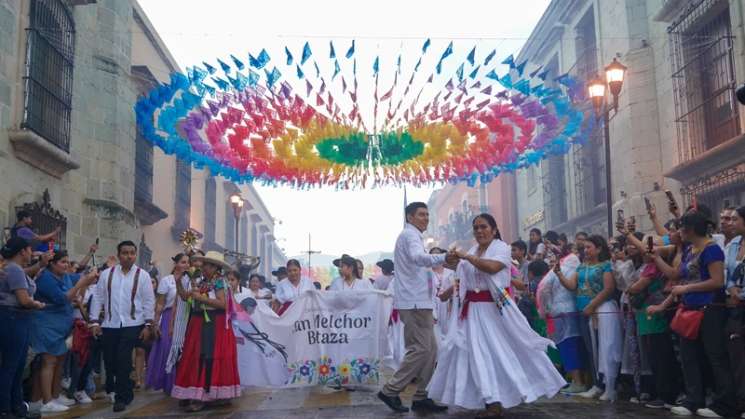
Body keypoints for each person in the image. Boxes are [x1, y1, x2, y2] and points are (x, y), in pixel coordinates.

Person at [427, 214, 566, 418]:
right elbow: (460, 269)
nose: (479, 231)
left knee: (497, 352)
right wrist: (449, 259)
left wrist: (466, 257)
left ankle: (497, 400)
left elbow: (492, 268)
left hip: (493, 310)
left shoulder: (501, 248)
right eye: (476, 228)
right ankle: (488, 399)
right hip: (471, 311)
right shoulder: (474, 250)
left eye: (483, 227)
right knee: (472, 354)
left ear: (493, 229)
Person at [648, 210, 737, 418]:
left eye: (681, 228)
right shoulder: (690, 249)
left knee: (715, 357)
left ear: (690, 229)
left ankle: (725, 403)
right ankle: (693, 399)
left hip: (710, 309)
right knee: (688, 357)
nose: (679, 232)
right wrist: (656, 259)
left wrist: (686, 289)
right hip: (689, 310)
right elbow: (675, 274)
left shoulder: (711, 250)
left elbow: (717, 281)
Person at [378, 202, 450, 414]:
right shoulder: (410, 236)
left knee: (431, 350)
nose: (426, 218)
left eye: (427, 214)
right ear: (409, 217)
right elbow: (418, 258)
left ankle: (420, 395)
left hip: (421, 301)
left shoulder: (414, 237)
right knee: (420, 349)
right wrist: (445, 257)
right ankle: (391, 390)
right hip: (414, 302)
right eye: (421, 214)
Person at [89, 241, 155, 413]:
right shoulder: (107, 274)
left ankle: (120, 398)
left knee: (123, 359)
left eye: (132, 253)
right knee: (110, 361)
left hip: (133, 324)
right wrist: (95, 321)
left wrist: (148, 324)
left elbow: (149, 301)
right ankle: (126, 391)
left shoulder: (143, 275)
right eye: (125, 253)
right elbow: (98, 297)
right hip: (110, 324)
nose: (129, 256)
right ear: (119, 255)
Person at [29, 251, 97, 413]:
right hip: (46, 326)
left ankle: (55, 395)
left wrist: (89, 275)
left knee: (59, 361)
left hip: (61, 328)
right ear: (52, 263)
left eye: (67, 262)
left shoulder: (65, 276)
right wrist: (82, 284)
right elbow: (63, 298)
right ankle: (46, 401)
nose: (67, 265)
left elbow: (79, 277)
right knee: (49, 361)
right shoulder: (45, 278)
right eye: (63, 262)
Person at [556, 235, 622, 402]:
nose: (585, 251)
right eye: (584, 248)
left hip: (600, 311)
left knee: (603, 347)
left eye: (589, 247)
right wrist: (559, 275)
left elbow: (608, 288)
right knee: (590, 349)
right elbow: (572, 286)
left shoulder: (605, 266)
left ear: (599, 249)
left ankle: (607, 385)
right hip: (582, 311)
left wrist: (592, 306)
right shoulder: (581, 267)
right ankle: (596, 383)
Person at [172, 251, 240, 411]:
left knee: (208, 357)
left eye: (207, 265)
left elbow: (223, 304)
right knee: (198, 357)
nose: (203, 267)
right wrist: (179, 282)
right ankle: (200, 394)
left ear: (215, 267)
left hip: (213, 325)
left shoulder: (220, 282)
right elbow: (184, 297)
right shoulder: (202, 282)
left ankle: (205, 396)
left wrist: (201, 298)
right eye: (203, 264)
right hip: (199, 323)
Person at [0, 237, 45, 419]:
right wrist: (38, 304)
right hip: (14, 317)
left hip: (16, 318)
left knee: (18, 366)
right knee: (12, 366)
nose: (31, 253)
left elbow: (25, 273)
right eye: (29, 249)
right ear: (22, 251)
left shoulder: (12, 269)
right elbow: (24, 300)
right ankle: (6, 408)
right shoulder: (14, 270)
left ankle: (16, 405)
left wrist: (40, 265)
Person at [537, 250, 585, 394]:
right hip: (576, 309)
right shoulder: (578, 266)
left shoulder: (560, 268)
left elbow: (544, 289)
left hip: (559, 312)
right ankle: (581, 380)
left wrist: (545, 309)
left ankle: (577, 382)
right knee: (578, 346)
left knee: (567, 346)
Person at [145, 253, 189, 395]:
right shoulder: (167, 280)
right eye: (183, 262)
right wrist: (155, 323)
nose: (186, 265)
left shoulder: (191, 280)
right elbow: (160, 303)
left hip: (186, 317)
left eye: (188, 263)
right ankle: (168, 382)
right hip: (169, 316)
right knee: (168, 349)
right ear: (175, 263)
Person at [724, 206, 745, 417]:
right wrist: (731, 288)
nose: (731, 223)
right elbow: (726, 271)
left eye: (735, 219)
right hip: (734, 307)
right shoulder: (733, 245)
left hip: (741, 300)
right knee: (737, 356)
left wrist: (741, 294)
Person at [429, 247, 454, 339]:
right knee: (434, 331)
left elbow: (454, 291)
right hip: (432, 304)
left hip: (446, 303)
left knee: (447, 329)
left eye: (437, 254)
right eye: (432, 255)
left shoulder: (450, 273)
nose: (435, 256)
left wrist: (451, 305)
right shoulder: (427, 273)